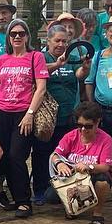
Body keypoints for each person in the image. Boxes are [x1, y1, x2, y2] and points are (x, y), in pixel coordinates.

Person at [0, 18, 48, 218]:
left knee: (17, 155)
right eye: (13, 34)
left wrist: (30, 114)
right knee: (3, 155)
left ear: (26, 36)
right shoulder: (2, 59)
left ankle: (24, 200)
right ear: (8, 37)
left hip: (23, 112)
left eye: (20, 33)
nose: (16, 37)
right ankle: (13, 197)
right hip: (1, 111)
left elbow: (41, 88)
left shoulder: (35, 56)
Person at [32, 23, 88, 204]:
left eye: (64, 41)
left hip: (68, 114)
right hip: (47, 117)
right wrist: (57, 64)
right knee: (42, 153)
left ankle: (63, 189)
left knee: (66, 154)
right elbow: (38, 73)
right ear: (48, 41)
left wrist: (85, 68)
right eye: (57, 41)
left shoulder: (71, 58)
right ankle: (40, 190)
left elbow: (78, 74)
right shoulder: (40, 57)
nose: (61, 44)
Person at [50, 101, 112, 224]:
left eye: (88, 126)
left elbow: (106, 166)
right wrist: (60, 164)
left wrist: (89, 166)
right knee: (50, 197)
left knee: (102, 182)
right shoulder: (70, 136)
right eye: (79, 125)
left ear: (97, 123)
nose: (83, 129)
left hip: (94, 175)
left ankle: (97, 212)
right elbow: (55, 155)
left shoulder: (106, 139)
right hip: (73, 177)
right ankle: (73, 207)